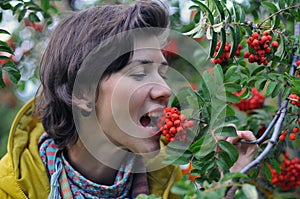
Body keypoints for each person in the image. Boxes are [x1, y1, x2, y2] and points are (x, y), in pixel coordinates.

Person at [0, 1, 258, 198]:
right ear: (83, 93)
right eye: (139, 73)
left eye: (162, 73)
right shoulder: (9, 188)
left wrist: (227, 183)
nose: (165, 90)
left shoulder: (174, 184)